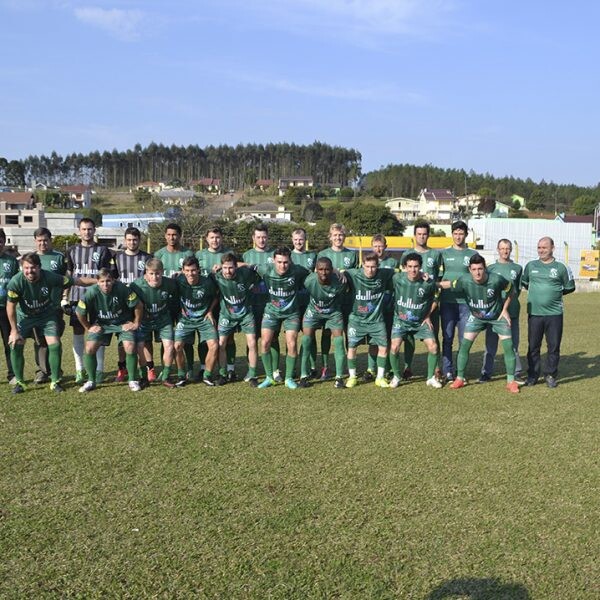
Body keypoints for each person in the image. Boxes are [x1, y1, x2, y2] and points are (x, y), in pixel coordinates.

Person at [438, 254, 519, 393]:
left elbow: (511, 290)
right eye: (474, 269)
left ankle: (511, 381)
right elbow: (449, 284)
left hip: (496, 317)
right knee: (464, 345)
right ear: (469, 269)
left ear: (485, 268)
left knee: (508, 346)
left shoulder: (496, 279)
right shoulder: (464, 280)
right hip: (476, 317)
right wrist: (429, 282)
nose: (477, 272)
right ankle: (460, 378)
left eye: (480, 268)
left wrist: (505, 310)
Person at [6, 253, 73, 393]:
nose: (30, 271)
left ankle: (55, 381)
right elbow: (10, 307)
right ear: (21, 268)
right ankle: (20, 382)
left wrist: (96, 281)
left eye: (33, 267)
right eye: (26, 268)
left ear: (39, 267)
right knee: (15, 344)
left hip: (46, 316)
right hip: (25, 317)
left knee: (54, 344)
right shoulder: (16, 281)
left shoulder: (50, 276)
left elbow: (71, 281)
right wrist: (13, 331)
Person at [66, 218, 117, 384]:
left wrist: (83, 280)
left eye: (90, 229)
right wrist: (64, 297)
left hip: (98, 299)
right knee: (78, 332)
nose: (87, 232)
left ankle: (99, 369)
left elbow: (104, 277)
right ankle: (79, 369)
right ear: (79, 231)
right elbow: (69, 277)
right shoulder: (72, 250)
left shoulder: (103, 250)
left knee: (98, 332)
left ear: (94, 231)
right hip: (76, 297)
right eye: (83, 229)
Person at [251, 246, 310, 389]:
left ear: (290, 261)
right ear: (273, 261)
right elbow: (248, 266)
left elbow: (315, 274)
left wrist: (334, 271)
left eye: (285, 262)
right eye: (279, 262)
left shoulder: (297, 270)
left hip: (291, 313)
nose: (282, 265)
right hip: (271, 311)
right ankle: (269, 377)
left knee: (291, 343)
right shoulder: (266, 269)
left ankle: (289, 378)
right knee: (265, 342)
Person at [76, 268, 143, 393]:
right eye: (102, 281)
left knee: (129, 346)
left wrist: (136, 323)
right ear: (97, 282)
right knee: (89, 348)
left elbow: (138, 305)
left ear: (113, 280)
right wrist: (88, 327)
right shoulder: (91, 292)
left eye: (108, 281)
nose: (105, 284)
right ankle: (91, 380)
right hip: (101, 324)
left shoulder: (122, 288)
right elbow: (79, 312)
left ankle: (133, 380)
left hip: (122, 323)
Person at [522, 236, 575, 388]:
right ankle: (532, 375)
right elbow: (525, 283)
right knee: (533, 346)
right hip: (535, 313)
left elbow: (569, 287)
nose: (541, 250)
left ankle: (550, 374)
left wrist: (552, 296)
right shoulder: (531, 266)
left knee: (553, 346)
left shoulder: (561, 267)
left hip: (554, 314)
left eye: (544, 247)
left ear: (553, 248)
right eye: (539, 247)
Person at [389, 252, 441, 389]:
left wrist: (428, 315)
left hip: (420, 323)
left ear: (420, 267)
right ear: (405, 267)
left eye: (416, 267)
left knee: (434, 347)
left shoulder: (428, 283)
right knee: (394, 347)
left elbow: (435, 298)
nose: (413, 270)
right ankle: (396, 376)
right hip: (400, 321)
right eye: (410, 266)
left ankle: (430, 378)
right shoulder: (397, 278)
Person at [344, 252, 394, 388]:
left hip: (376, 320)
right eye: (367, 266)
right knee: (352, 347)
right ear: (362, 265)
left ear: (378, 266)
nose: (370, 270)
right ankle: (352, 377)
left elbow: (402, 274)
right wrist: (338, 273)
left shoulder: (384, 274)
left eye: (373, 267)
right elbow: (339, 272)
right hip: (356, 320)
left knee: (383, 347)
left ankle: (380, 377)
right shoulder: (353, 274)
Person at [479, 239, 524, 384]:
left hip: (512, 312)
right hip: (494, 313)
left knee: (513, 345)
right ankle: (486, 373)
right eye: (502, 248)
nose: (505, 251)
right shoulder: (490, 269)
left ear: (511, 250)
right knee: (490, 346)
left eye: (508, 248)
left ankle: (516, 373)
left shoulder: (517, 268)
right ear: (498, 249)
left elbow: (517, 289)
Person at [316, 223, 358, 379]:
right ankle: (325, 367)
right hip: (328, 302)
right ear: (330, 237)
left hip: (346, 300)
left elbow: (354, 277)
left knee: (348, 333)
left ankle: (347, 365)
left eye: (340, 235)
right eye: (335, 235)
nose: (338, 238)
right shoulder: (322, 254)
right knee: (326, 333)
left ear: (344, 236)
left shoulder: (352, 255)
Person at [129, 259, 179, 388]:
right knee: (140, 346)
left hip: (163, 319)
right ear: (146, 273)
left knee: (169, 345)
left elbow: (176, 299)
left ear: (162, 272)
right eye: (151, 273)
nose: (154, 277)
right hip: (144, 321)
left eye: (157, 273)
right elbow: (131, 305)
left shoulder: (170, 284)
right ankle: (144, 377)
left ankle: (166, 376)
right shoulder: (136, 286)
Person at [213, 253, 261, 386]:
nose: (228, 271)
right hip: (226, 315)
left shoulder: (245, 273)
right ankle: (223, 374)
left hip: (246, 314)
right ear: (221, 267)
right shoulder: (216, 277)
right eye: (225, 268)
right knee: (221, 343)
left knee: (252, 342)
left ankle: (252, 374)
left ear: (236, 267)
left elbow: (256, 271)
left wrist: (243, 264)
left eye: (231, 268)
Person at [300, 257, 347, 388]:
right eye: (320, 269)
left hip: (333, 312)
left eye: (327, 269)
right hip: (313, 311)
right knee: (306, 340)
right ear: (316, 270)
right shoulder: (309, 281)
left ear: (332, 270)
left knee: (338, 341)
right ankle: (303, 376)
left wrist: (341, 272)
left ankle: (339, 378)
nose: (324, 272)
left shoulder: (340, 282)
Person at [439, 220, 478, 381]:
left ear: (466, 234)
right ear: (452, 234)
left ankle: (460, 372)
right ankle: (447, 370)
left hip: (466, 304)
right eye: (455, 233)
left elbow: (478, 277)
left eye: (461, 233)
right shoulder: (444, 254)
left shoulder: (472, 255)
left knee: (464, 339)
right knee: (447, 338)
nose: (458, 236)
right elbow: (438, 277)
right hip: (447, 302)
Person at [196, 226, 236, 381]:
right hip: (205, 303)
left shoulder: (229, 254)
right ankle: (203, 367)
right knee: (204, 337)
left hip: (225, 302)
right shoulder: (199, 255)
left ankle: (229, 369)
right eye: (212, 237)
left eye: (218, 237)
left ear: (222, 238)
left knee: (228, 337)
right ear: (206, 239)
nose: (215, 240)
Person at [114, 227, 152, 383]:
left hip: (143, 303)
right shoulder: (117, 258)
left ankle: (150, 368)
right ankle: (122, 369)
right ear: (125, 240)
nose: (132, 242)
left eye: (135, 240)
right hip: (123, 306)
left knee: (145, 338)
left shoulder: (147, 258)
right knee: (124, 340)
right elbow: (113, 280)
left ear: (139, 241)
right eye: (129, 239)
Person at [173, 256, 219, 386]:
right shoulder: (179, 280)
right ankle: (181, 376)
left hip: (204, 318)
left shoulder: (207, 283)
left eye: (193, 270)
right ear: (182, 270)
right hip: (186, 319)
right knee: (176, 346)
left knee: (214, 346)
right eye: (187, 270)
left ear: (198, 270)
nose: (190, 274)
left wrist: (210, 311)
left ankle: (207, 375)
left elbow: (216, 296)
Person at [242, 224, 279, 379]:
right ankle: (253, 370)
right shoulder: (246, 255)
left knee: (273, 337)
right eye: (258, 237)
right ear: (253, 238)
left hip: (270, 304)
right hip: (252, 303)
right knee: (251, 338)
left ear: (267, 237)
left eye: (264, 237)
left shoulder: (274, 254)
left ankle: (276, 371)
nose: (261, 240)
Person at [31, 227, 67, 384]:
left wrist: (64, 298)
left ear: (50, 240)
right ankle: (42, 371)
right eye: (39, 240)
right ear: (35, 242)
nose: (42, 243)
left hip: (54, 308)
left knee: (55, 340)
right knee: (39, 341)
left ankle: (56, 370)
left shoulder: (59, 257)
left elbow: (67, 280)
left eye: (45, 240)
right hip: (35, 309)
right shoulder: (30, 259)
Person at [409, 221, 443, 380]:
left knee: (434, 335)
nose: (422, 237)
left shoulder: (436, 255)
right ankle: (407, 367)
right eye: (419, 234)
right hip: (411, 304)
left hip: (431, 305)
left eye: (424, 234)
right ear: (414, 235)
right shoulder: (407, 254)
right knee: (408, 337)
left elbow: (440, 279)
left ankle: (437, 369)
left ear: (428, 235)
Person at [364, 234, 398, 381]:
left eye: (380, 245)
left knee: (388, 338)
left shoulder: (393, 262)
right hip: (373, 305)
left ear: (385, 246)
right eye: (375, 246)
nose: (378, 249)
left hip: (388, 303)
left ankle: (389, 368)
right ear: (372, 246)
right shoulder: (368, 262)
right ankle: (371, 369)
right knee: (373, 339)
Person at [290, 227, 317, 378]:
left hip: (308, 301)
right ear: (292, 240)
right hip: (292, 302)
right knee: (291, 337)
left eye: (301, 239)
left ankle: (312, 366)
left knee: (310, 335)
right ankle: (292, 367)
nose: (299, 242)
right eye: (296, 239)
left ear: (305, 240)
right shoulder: (288, 256)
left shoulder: (312, 255)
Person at [0, 228, 19, 384]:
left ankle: (12, 374)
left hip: (6, 308)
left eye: (0, 240)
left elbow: (16, 284)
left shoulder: (11, 261)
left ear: (4, 242)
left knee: (9, 342)